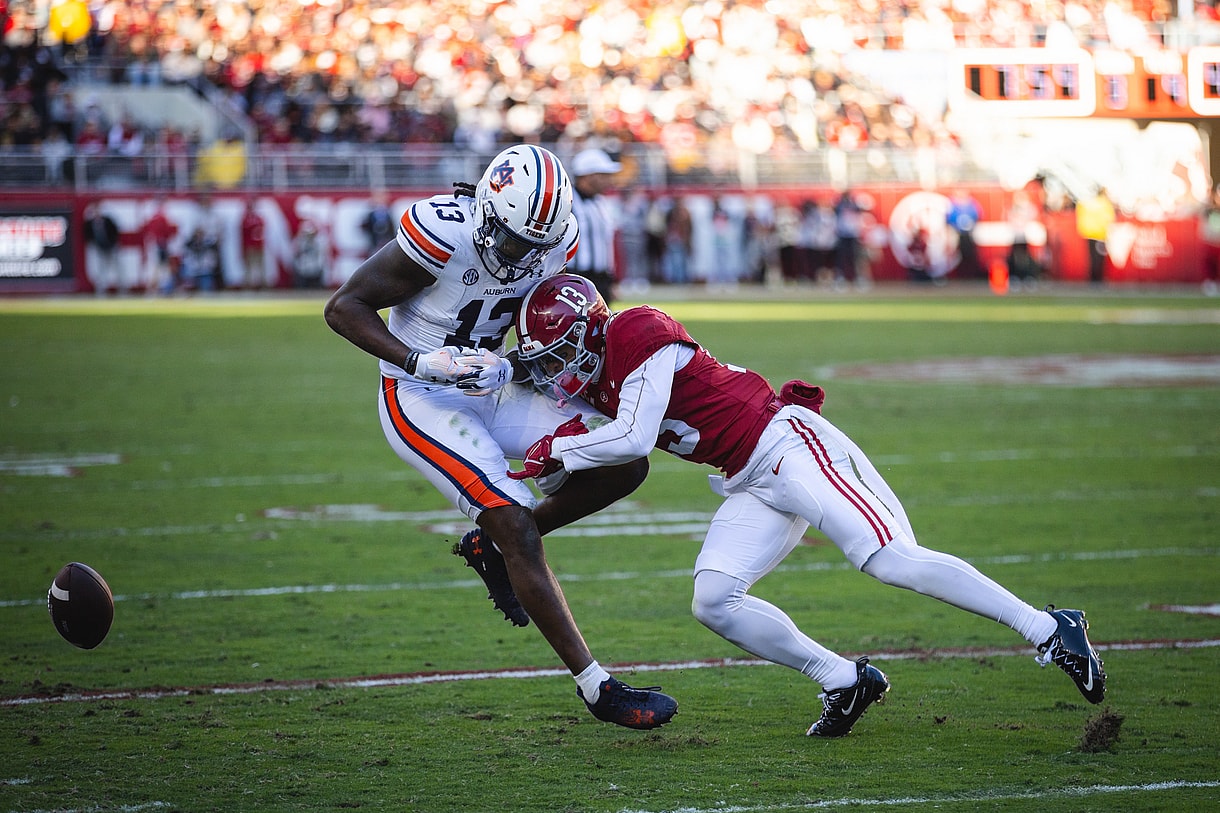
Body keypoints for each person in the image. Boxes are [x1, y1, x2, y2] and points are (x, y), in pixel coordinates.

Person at [495, 272, 1107, 738]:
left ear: (588, 331)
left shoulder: (636, 330)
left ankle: (1049, 628)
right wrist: (541, 450)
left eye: (559, 355)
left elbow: (631, 438)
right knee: (714, 600)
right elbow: (586, 444)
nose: (556, 372)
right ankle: (844, 679)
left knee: (888, 558)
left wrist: (559, 447)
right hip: (749, 477)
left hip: (788, 446)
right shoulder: (596, 379)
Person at [323, 145, 677, 730]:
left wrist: (510, 365)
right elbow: (344, 308)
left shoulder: (551, 241)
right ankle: (597, 687)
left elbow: (538, 323)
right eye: (513, 243)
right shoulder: (442, 232)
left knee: (623, 458)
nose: (522, 258)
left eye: (535, 247)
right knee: (514, 524)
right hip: (421, 396)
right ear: (487, 212)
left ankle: (494, 547)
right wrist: (418, 360)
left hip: (491, 383)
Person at [567, 147, 622, 304]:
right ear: (587, 175)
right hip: (575, 277)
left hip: (601, 280)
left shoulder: (601, 202)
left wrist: (612, 280)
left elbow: (606, 244)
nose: (609, 180)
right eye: (603, 175)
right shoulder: (567, 201)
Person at [1076, 187, 1115, 285]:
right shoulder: (1105, 204)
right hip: (1100, 234)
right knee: (1099, 258)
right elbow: (1110, 218)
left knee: (1092, 257)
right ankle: (1098, 279)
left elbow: (1080, 213)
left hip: (1089, 233)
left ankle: (1092, 278)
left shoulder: (1089, 203)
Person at [83, 204, 122, 295]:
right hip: (100, 249)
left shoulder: (107, 220)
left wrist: (113, 243)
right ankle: (101, 290)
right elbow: (88, 236)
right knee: (101, 269)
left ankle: (122, 289)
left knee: (118, 267)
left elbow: (115, 232)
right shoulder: (90, 223)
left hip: (111, 247)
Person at [241, 201, 268, 290]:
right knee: (250, 266)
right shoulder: (248, 219)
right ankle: (249, 285)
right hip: (251, 246)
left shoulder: (254, 219)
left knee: (260, 265)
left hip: (257, 245)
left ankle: (262, 284)